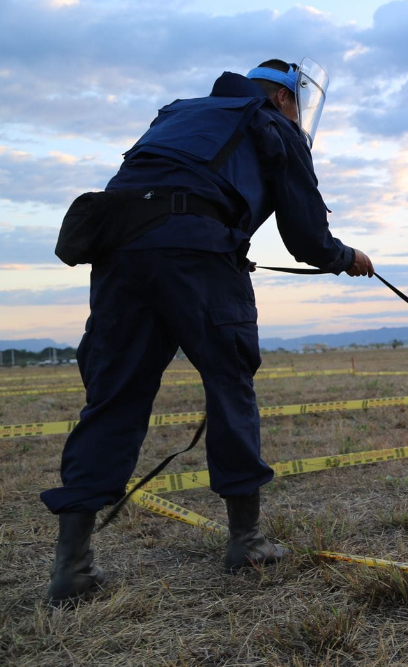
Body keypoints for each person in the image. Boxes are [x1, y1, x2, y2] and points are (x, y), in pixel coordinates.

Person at [40, 59, 373, 605]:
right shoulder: (271, 123)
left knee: (112, 400)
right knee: (229, 388)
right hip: (199, 256)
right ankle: (246, 540)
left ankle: (71, 569)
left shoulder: (182, 114)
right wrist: (346, 258)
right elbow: (306, 237)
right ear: (286, 99)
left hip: (120, 253)